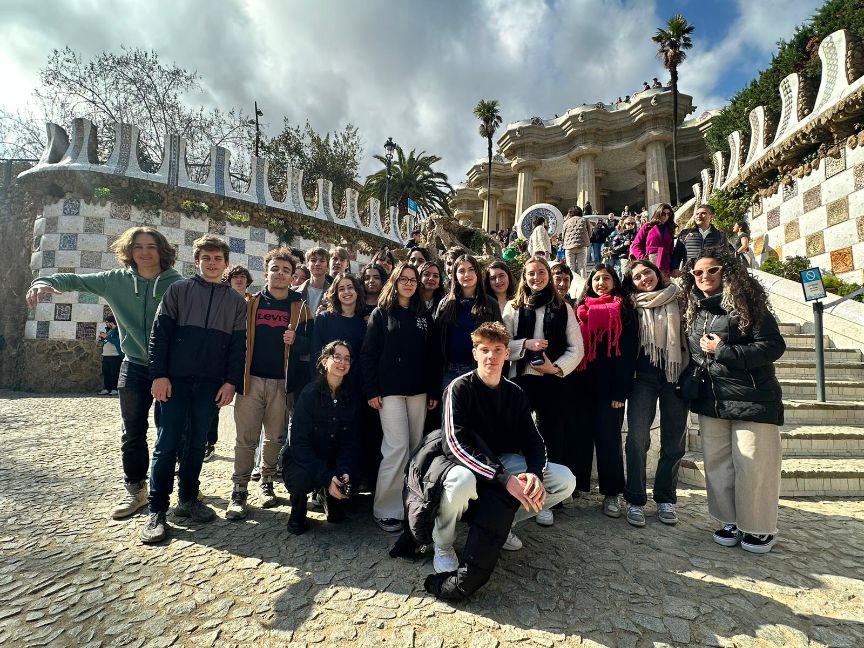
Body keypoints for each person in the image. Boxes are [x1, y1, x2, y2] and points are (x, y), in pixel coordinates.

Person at [26, 226, 182, 519]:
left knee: (172, 432)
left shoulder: (177, 283)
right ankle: (136, 491)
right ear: (129, 251)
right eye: (138, 247)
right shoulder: (115, 280)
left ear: (162, 250)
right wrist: (43, 280)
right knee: (133, 432)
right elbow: (73, 280)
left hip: (171, 370)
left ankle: (183, 490)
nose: (145, 252)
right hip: (133, 366)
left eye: (151, 246)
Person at [417, 322, 576, 600]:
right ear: (475, 353)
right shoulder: (459, 388)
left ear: (506, 354)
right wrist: (504, 479)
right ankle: (443, 543)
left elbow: (533, 440)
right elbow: (455, 444)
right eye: (485, 350)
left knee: (564, 480)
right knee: (461, 482)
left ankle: (506, 526)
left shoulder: (515, 392)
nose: (491, 356)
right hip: (461, 463)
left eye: (498, 350)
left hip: (501, 461)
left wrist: (534, 474)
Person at [140, 235, 247, 543]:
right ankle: (156, 510)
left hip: (211, 385)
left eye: (217, 259)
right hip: (175, 381)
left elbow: (238, 347)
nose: (212, 263)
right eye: (206, 258)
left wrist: (231, 382)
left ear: (225, 264)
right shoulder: (178, 291)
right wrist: (158, 375)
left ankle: (188, 498)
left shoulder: (236, 303)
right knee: (167, 443)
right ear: (197, 261)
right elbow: (159, 336)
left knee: (198, 443)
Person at [681, 248, 785, 553]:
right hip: (712, 399)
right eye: (697, 273)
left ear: (726, 272)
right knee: (717, 464)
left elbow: (773, 346)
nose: (703, 277)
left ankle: (759, 527)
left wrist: (724, 350)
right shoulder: (695, 309)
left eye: (711, 271)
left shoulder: (747, 305)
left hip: (752, 397)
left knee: (754, 465)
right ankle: (728, 520)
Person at [224, 248, 313, 521]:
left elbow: (311, 345)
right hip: (251, 381)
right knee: (246, 438)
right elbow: (236, 340)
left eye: (286, 270)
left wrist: (296, 340)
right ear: (267, 273)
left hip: (282, 383)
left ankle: (267, 482)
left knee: (275, 437)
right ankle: (239, 490)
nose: (280, 274)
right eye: (275, 269)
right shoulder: (250, 303)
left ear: (293, 276)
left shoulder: (301, 308)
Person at [503, 255, 583, 526]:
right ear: (524, 278)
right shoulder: (513, 308)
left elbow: (576, 348)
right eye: (530, 274)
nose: (536, 277)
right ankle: (518, 491)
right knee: (517, 437)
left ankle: (547, 497)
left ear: (548, 275)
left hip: (552, 381)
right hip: (520, 380)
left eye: (540, 272)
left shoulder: (563, 308)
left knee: (551, 434)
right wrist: (526, 344)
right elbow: (503, 346)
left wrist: (556, 368)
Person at [360, 262, 440, 532]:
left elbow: (432, 357)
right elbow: (368, 354)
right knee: (396, 448)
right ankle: (385, 508)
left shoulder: (423, 316)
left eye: (413, 280)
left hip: (418, 391)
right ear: (394, 282)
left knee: (416, 448)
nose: (408, 283)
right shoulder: (382, 314)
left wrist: (433, 390)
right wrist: (371, 390)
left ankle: (410, 503)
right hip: (389, 393)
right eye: (403, 279)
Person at [621, 260, 690, 527]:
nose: (643, 279)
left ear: (656, 273)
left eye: (647, 272)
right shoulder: (631, 305)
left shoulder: (679, 298)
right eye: (637, 277)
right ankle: (635, 499)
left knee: (674, 441)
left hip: (675, 375)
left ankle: (665, 498)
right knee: (637, 439)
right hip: (643, 378)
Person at [572, 264, 638, 517]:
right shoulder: (582, 309)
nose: (601, 283)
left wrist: (620, 393)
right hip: (582, 384)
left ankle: (611, 493)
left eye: (606, 278)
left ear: (614, 282)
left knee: (609, 440)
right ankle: (577, 485)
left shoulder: (623, 309)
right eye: (597, 278)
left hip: (610, 387)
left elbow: (628, 354)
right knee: (581, 436)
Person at [280, 341, 360, 534]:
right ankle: (298, 508)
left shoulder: (351, 396)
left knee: (352, 480)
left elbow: (351, 441)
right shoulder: (309, 394)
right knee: (301, 480)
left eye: (347, 359)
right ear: (325, 361)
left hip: (333, 459)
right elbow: (299, 444)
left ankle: (328, 496)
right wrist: (326, 476)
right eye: (337, 357)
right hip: (304, 461)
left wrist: (344, 470)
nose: (343, 362)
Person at [434, 254, 502, 389]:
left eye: (471, 269)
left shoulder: (490, 304)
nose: (467, 274)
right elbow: (436, 342)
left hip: (479, 370)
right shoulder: (445, 304)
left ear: (477, 272)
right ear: (455, 275)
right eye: (461, 271)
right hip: (448, 371)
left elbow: (499, 340)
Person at [311, 273, 367, 386]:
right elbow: (316, 353)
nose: (346, 291)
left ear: (357, 291)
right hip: (326, 384)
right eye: (341, 289)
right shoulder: (324, 318)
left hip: (354, 386)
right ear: (336, 294)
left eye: (350, 287)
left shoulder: (363, 324)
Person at [672, 204, 730, 271]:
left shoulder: (720, 235)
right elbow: (677, 253)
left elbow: (726, 256)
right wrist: (675, 268)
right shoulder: (685, 233)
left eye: (703, 213)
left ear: (712, 216)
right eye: (697, 214)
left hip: (712, 273)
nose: (699, 216)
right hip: (690, 273)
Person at [630, 203, 677, 277]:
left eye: (668, 214)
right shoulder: (648, 226)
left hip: (665, 264)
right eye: (663, 213)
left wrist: (673, 267)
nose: (666, 216)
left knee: (664, 286)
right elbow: (636, 245)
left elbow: (671, 250)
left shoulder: (670, 229)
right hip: (650, 261)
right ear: (658, 213)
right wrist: (644, 260)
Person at [561, 206, 592, 278]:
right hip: (582, 246)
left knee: (570, 267)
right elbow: (590, 233)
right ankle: (582, 285)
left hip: (569, 247)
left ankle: (572, 284)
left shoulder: (566, 222)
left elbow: (563, 235)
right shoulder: (585, 220)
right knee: (582, 267)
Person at [97, 315, 123, 396]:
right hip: (106, 355)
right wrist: (101, 338)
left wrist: (107, 337)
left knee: (114, 373)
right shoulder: (109, 331)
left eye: (107, 322)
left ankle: (114, 389)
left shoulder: (118, 331)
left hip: (115, 356)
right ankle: (106, 388)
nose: (106, 324)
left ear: (111, 322)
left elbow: (117, 342)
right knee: (106, 373)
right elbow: (106, 341)